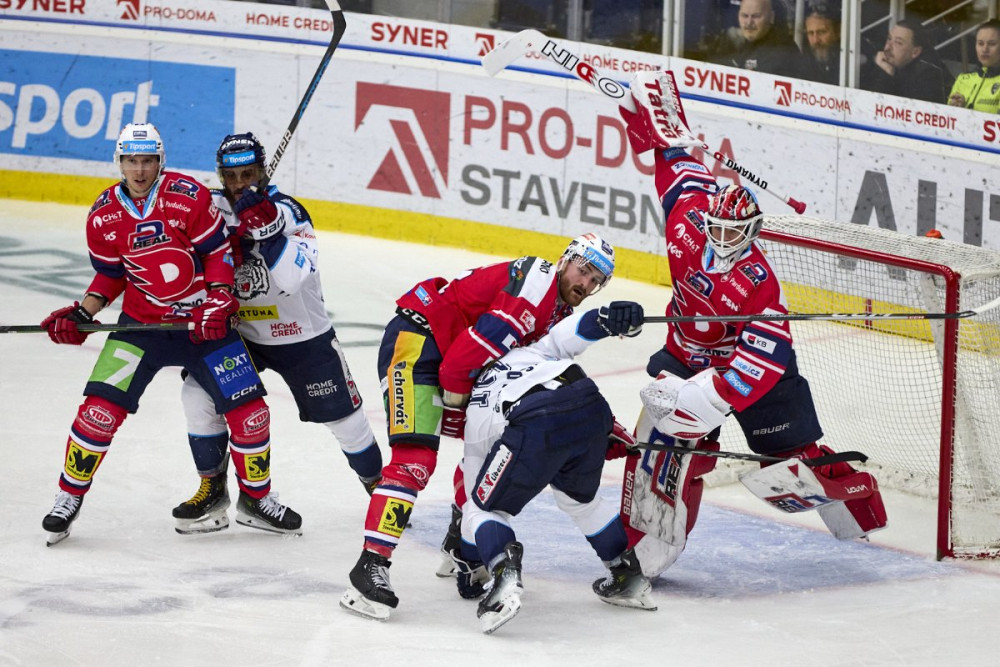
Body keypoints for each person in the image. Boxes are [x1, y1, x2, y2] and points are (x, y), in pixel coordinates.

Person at [616, 71, 887, 575]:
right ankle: (642, 552)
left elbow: (761, 361)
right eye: (717, 229)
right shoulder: (686, 217)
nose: (723, 240)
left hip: (746, 371)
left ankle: (859, 500)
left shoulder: (761, 284)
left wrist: (710, 397)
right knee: (663, 451)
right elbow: (671, 152)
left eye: (735, 232)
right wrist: (644, 107)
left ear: (754, 230)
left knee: (790, 462)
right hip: (684, 354)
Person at [39, 123, 301, 545]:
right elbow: (110, 275)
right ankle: (68, 497)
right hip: (141, 328)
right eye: (131, 161)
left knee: (251, 413)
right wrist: (83, 312)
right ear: (119, 162)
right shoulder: (103, 215)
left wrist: (219, 298)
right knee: (97, 412)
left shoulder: (189, 195)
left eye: (148, 160)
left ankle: (256, 500)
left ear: (160, 161)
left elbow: (217, 253)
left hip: (204, 325)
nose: (140, 170)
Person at [339, 232, 617, 621]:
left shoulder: (557, 313)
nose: (585, 283)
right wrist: (456, 396)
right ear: (565, 259)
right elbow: (467, 356)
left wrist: (607, 427)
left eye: (595, 280)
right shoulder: (538, 279)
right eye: (583, 271)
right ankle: (369, 567)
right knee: (415, 459)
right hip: (419, 342)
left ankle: (461, 545)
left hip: (456, 361)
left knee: (492, 444)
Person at [170, 132, 383, 535]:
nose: (239, 184)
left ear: (262, 172)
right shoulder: (211, 209)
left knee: (346, 422)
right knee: (197, 395)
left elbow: (291, 280)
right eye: (230, 176)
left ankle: (381, 488)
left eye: (248, 174)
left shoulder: (289, 212)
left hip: (300, 335)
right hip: (239, 335)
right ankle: (213, 490)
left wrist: (266, 232)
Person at [459, 303, 654, 634]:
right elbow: (570, 332)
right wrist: (605, 318)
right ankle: (627, 576)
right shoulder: (526, 353)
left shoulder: (475, 413)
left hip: (535, 420)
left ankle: (504, 576)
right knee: (581, 501)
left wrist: (470, 561)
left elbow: (473, 506)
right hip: (592, 406)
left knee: (484, 508)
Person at [861, 19, 953, 104]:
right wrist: (886, 72)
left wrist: (887, 74)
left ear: (915, 52)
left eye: (898, 43)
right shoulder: (885, 60)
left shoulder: (929, 75)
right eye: (889, 38)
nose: (887, 47)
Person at [707, 0, 802, 77]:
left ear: (771, 17)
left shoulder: (783, 50)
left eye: (756, 16)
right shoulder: (736, 44)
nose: (749, 22)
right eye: (744, 16)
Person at [947, 19, 1000, 113]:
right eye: (980, 43)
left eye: (992, 44)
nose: (984, 49)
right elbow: (948, 116)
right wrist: (957, 109)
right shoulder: (963, 79)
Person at [797, 5, 841, 85]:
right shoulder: (802, 64)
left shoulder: (850, 62)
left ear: (838, 32)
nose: (815, 40)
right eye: (810, 33)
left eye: (822, 32)